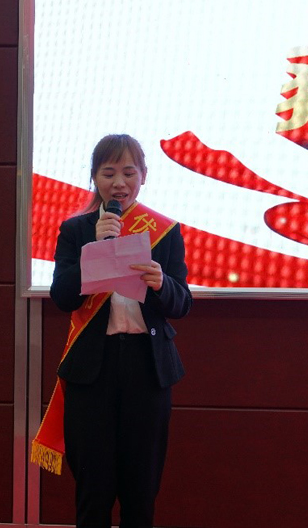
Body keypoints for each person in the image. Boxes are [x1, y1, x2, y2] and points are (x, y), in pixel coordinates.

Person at [37, 133, 193, 528]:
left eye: (128, 172)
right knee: (94, 490)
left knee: (141, 490)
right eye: (108, 173)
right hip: (94, 370)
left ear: (144, 176)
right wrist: (95, 249)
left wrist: (161, 284)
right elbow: (63, 297)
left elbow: (182, 304)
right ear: (94, 177)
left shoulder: (165, 231)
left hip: (147, 369)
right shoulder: (76, 230)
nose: (119, 183)